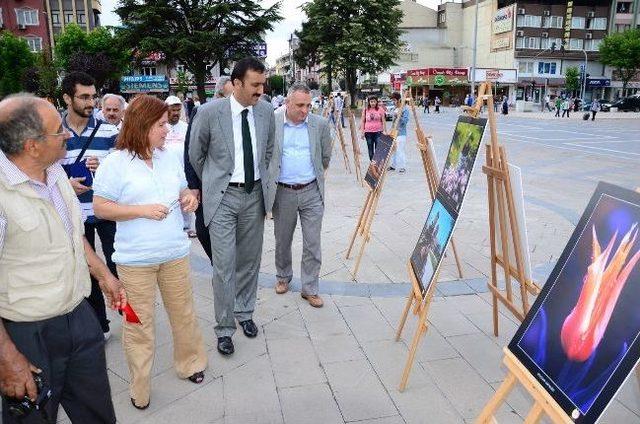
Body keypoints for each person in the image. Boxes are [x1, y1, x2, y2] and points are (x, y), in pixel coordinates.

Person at [0, 94, 126, 423]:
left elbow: (74, 235)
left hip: (79, 317)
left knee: (98, 413)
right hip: (27, 335)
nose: (67, 135)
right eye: (59, 131)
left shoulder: (55, 174)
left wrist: (104, 276)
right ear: (32, 145)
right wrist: (7, 358)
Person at [93, 95, 207, 410]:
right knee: (138, 324)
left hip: (174, 252)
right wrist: (141, 210)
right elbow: (101, 207)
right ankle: (139, 386)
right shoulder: (115, 163)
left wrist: (188, 198)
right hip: (134, 261)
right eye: (159, 125)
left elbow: (184, 188)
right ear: (142, 126)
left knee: (183, 313)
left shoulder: (169, 155)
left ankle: (190, 363)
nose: (165, 130)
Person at [189, 57, 275, 356]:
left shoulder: (265, 112)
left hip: (255, 197)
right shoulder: (210, 112)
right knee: (224, 266)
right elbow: (195, 155)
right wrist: (214, 183)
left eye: (263, 84)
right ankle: (224, 329)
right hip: (224, 199)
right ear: (236, 84)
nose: (261, 90)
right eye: (255, 85)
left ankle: (245, 313)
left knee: (250, 261)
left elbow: (267, 151)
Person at [60, 71, 119, 340]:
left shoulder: (109, 130)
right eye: (84, 97)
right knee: (87, 268)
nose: (90, 102)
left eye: (93, 96)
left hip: (105, 210)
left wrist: (104, 166)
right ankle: (100, 325)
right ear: (67, 98)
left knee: (116, 261)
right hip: (74, 215)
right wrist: (65, 183)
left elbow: (124, 167)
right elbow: (44, 173)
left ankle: (127, 309)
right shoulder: (55, 132)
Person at [265, 83, 332, 307]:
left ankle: (310, 288)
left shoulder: (319, 124)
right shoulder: (272, 122)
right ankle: (283, 276)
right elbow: (265, 156)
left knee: (313, 242)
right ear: (287, 103)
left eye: (308, 105)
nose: (305, 110)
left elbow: (325, 157)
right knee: (283, 240)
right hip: (283, 192)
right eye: (300, 105)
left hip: (311, 191)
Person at [183, 76, 233, 263]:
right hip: (206, 183)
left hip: (232, 185)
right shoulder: (202, 113)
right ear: (219, 95)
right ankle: (217, 262)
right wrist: (194, 185)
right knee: (204, 227)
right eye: (229, 97)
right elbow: (190, 151)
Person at [164, 95, 196, 238]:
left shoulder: (186, 127)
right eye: (172, 110)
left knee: (185, 199)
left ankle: (187, 226)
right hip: (166, 171)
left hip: (183, 170)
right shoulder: (162, 127)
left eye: (178, 110)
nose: (175, 113)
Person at [359, 96, 386, 160]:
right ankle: (372, 165)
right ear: (369, 102)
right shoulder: (365, 110)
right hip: (368, 133)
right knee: (370, 149)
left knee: (378, 149)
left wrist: (384, 131)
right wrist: (362, 132)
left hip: (378, 132)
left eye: (374, 101)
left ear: (376, 102)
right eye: (371, 101)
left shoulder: (380, 109)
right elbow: (363, 121)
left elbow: (383, 121)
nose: (373, 103)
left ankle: (377, 164)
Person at [390, 92, 409, 173]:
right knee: (393, 150)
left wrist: (398, 116)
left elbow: (405, 121)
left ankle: (403, 166)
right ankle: (393, 166)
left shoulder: (404, 109)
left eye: (394, 100)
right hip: (394, 132)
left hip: (401, 133)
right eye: (392, 100)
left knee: (400, 150)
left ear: (399, 100)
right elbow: (393, 122)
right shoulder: (394, 109)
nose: (393, 102)